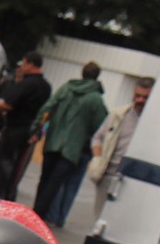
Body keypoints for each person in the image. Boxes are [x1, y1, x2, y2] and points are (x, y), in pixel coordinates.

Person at [32, 61, 107, 227]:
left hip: (53, 141)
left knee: (44, 179)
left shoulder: (66, 88)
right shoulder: (95, 99)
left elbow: (47, 108)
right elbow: (100, 127)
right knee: (55, 182)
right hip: (72, 148)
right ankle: (40, 215)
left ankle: (34, 212)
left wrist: (35, 129)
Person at [0, 51, 52, 200]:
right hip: (30, 131)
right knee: (17, 168)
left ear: (30, 64)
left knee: (3, 166)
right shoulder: (46, 87)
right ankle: (10, 196)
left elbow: (8, 105)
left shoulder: (26, 83)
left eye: (24, 63)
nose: (22, 67)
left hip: (14, 128)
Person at [90, 77, 153, 219]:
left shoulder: (155, 122)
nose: (140, 100)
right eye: (137, 96)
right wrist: (97, 159)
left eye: (145, 97)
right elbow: (97, 138)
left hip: (132, 181)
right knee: (98, 219)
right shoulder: (118, 115)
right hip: (108, 175)